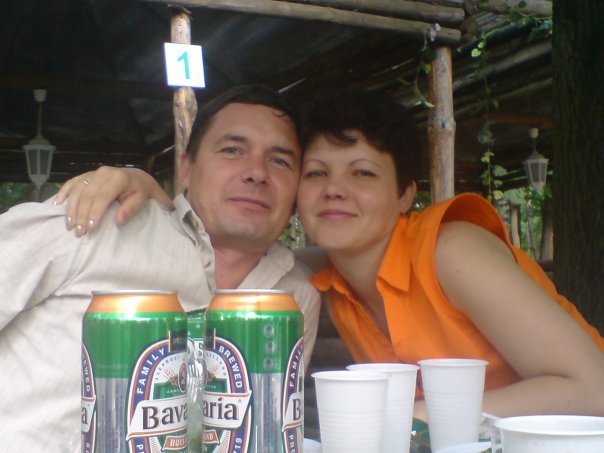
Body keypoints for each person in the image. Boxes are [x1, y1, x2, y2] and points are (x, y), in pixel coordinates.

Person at [59, 89, 604, 419]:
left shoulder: (451, 249)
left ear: (405, 195)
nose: (335, 190)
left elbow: (594, 389)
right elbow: (230, 245)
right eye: (317, 173)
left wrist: (404, 418)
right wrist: (153, 192)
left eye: (362, 174)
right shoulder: (325, 277)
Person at [0, 85, 320, 452]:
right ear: (186, 168)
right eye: (232, 150)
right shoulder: (91, 222)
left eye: (279, 161)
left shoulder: (298, 295)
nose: (256, 173)